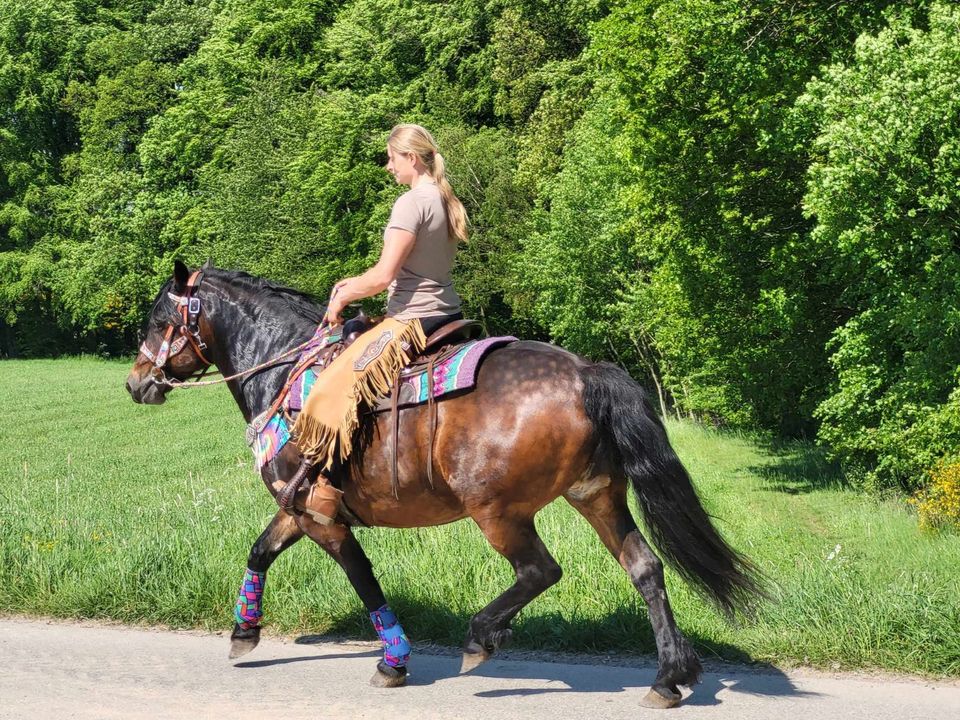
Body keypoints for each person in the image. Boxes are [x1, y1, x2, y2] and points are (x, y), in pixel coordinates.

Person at [289, 123, 469, 523]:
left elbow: (384, 276)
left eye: (391, 158)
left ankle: (325, 489)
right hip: (447, 312)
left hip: (411, 318)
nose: (388, 167)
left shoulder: (411, 203)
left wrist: (343, 295)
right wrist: (351, 284)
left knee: (331, 387)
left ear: (411, 158)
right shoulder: (443, 197)